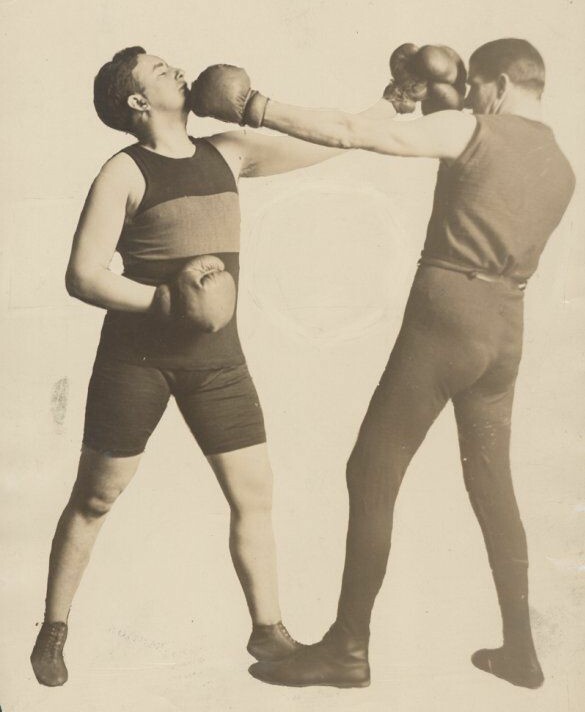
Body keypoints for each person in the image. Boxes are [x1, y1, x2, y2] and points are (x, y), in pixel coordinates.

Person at [190, 39, 576, 690]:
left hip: (447, 316)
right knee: (492, 486)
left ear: (501, 84)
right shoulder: (561, 163)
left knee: (371, 469)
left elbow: (350, 133)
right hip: (506, 327)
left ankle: (347, 648)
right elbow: (474, 163)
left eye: (479, 89)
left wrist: (254, 106)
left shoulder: (476, 127)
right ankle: (520, 651)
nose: (476, 99)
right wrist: (422, 93)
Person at [29, 46, 396, 687]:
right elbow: (83, 275)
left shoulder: (227, 151)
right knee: (95, 497)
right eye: (157, 68)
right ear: (137, 102)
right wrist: (163, 300)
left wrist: (387, 108)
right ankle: (54, 628)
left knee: (255, 495)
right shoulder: (123, 171)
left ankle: (269, 632)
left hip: (218, 361)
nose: (175, 67)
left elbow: (329, 142)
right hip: (138, 359)